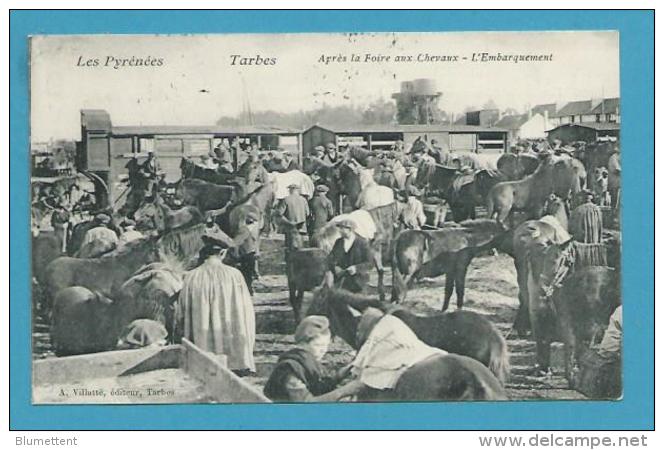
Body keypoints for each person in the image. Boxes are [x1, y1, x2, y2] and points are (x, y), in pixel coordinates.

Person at [176, 234, 256, 374]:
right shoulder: (234, 275)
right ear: (222, 253)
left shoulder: (191, 276)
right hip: (232, 350)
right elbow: (246, 311)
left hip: (201, 349)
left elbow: (181, 311)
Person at [264, 316, 344, 402]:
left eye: (326, 345)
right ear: (302, 344)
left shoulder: (310, 363)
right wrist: (345, 391)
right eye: (318, 345)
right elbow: (307, 403)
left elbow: (318, 387)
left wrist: (339, 376)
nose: (323, 350)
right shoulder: (290, 368)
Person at [324, 219, 374, 293]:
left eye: (342, 228)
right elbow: (330, 258)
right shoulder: (339, 242)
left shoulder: (362, 243)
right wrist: (335, 267)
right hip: (342, 283)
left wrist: (356, 268)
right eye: (339, 228)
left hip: (359, 284)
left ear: (350, 230)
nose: (340, 230)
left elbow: (370, 263)